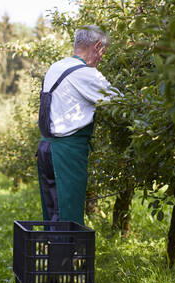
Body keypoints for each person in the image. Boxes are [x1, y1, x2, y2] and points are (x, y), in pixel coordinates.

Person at [37, 25, 121, 226]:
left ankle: (54, 255)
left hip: (45, 149)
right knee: (68, 213)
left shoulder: (56, 67)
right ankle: (65, 257)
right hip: (67, 152)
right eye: (103, 52)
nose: (102, 58)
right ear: (97, 46)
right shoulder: (87, 74)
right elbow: (122, 103)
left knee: (52, 211)